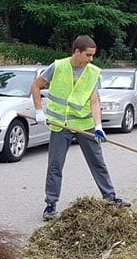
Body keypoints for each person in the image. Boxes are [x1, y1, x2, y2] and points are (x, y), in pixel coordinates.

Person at [31, 35, 130, 222]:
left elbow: (94, 100)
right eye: (88, 55)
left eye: (93, 56)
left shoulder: (92, 72)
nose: (91, 59)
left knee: (97, 162)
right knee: (55, 165)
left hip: (85, 124)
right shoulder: (58, 66)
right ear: (76, 52)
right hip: (61, 125)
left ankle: (110, 197)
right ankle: (50, 204)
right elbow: (36, 86)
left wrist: (99, 126)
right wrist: (39, 111)